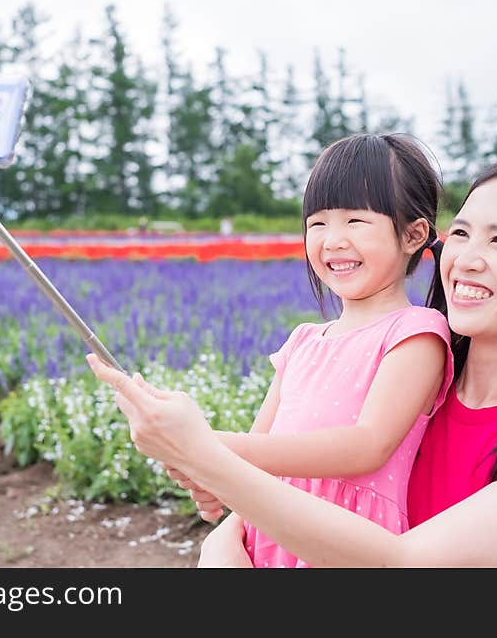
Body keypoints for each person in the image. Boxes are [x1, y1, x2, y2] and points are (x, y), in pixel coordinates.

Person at [87, 153, 497, 568]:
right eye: (460, 232)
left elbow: (403, 565)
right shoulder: (416, 387)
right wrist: (224, 540)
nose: (466, 259)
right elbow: (291, 495)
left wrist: (204, 451)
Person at [104, 133, 454, 569]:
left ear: (413, 234)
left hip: (343, 543)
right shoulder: (304, 342)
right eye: (318, 223)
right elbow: (259, 447)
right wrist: (212, 474)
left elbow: (366, 446)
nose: (332, 240)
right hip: (268, 535)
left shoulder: (416, 333)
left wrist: (205, 446)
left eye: (355, 221)